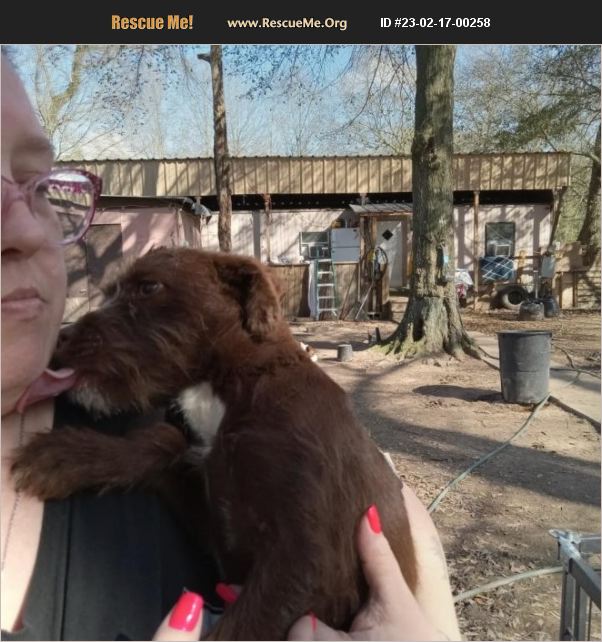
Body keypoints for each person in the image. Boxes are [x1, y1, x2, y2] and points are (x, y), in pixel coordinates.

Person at [1, 53, 461, 641]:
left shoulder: (272, 409)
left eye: (38, 186)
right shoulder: (191, 420)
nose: (24, 228)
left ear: (248, 299)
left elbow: (301, 558)